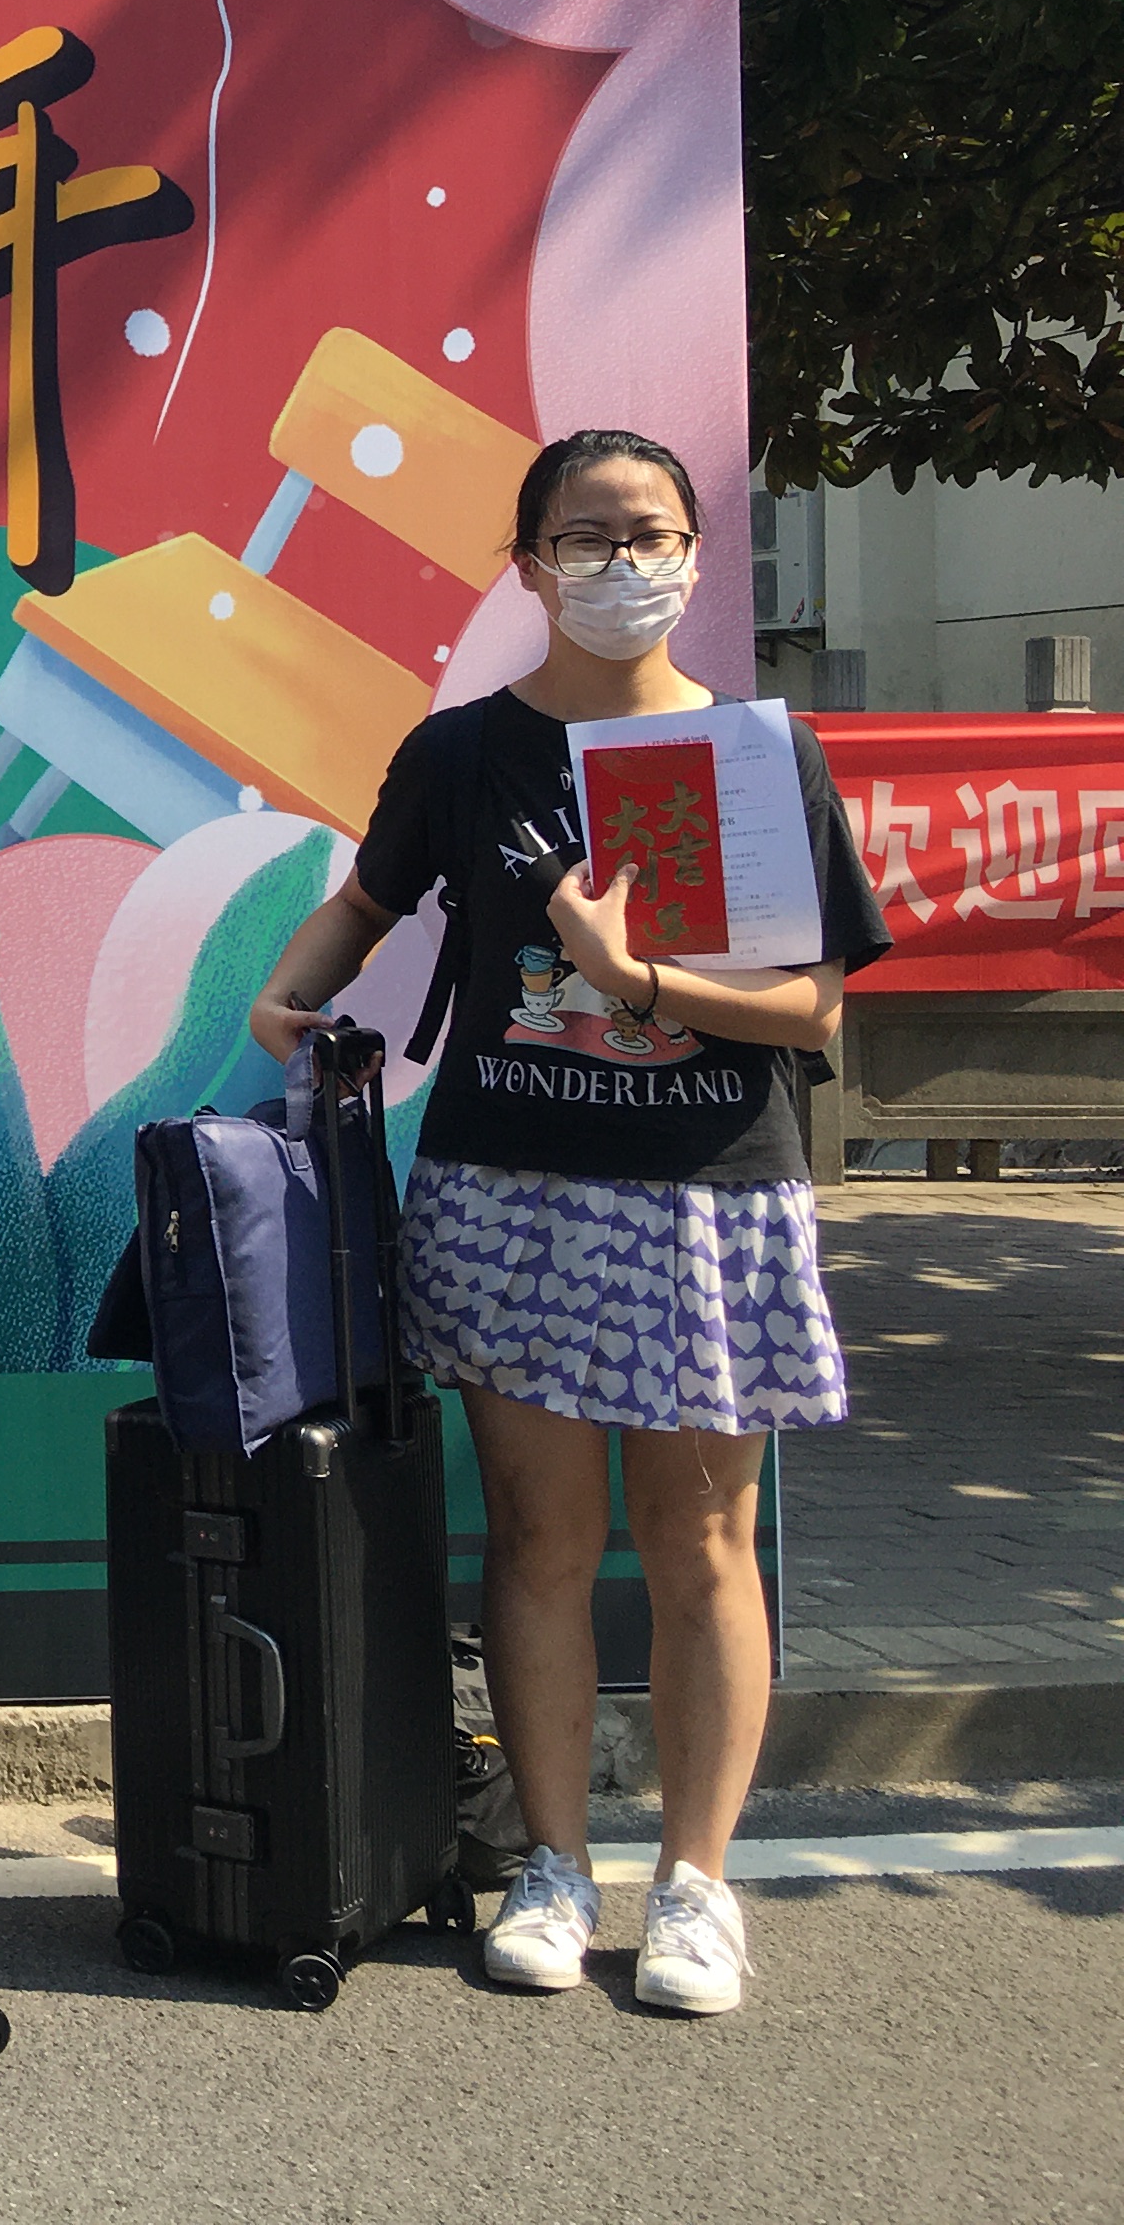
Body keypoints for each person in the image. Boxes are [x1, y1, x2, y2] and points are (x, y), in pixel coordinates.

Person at [246, 426, 884, 2017]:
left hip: (706, 1193)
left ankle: (697, 1887)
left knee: (702, 1539)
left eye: (650, 533)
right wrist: (285, 995)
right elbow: (370, 900)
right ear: (528, 566)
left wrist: (632, 979)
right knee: (540, 1540)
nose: (622, 563)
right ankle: (552, 1865)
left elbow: (815, 1013)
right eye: (586, 538)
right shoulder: (467, 752)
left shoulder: (761, 756)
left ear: (695, 554)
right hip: (510, 1187)